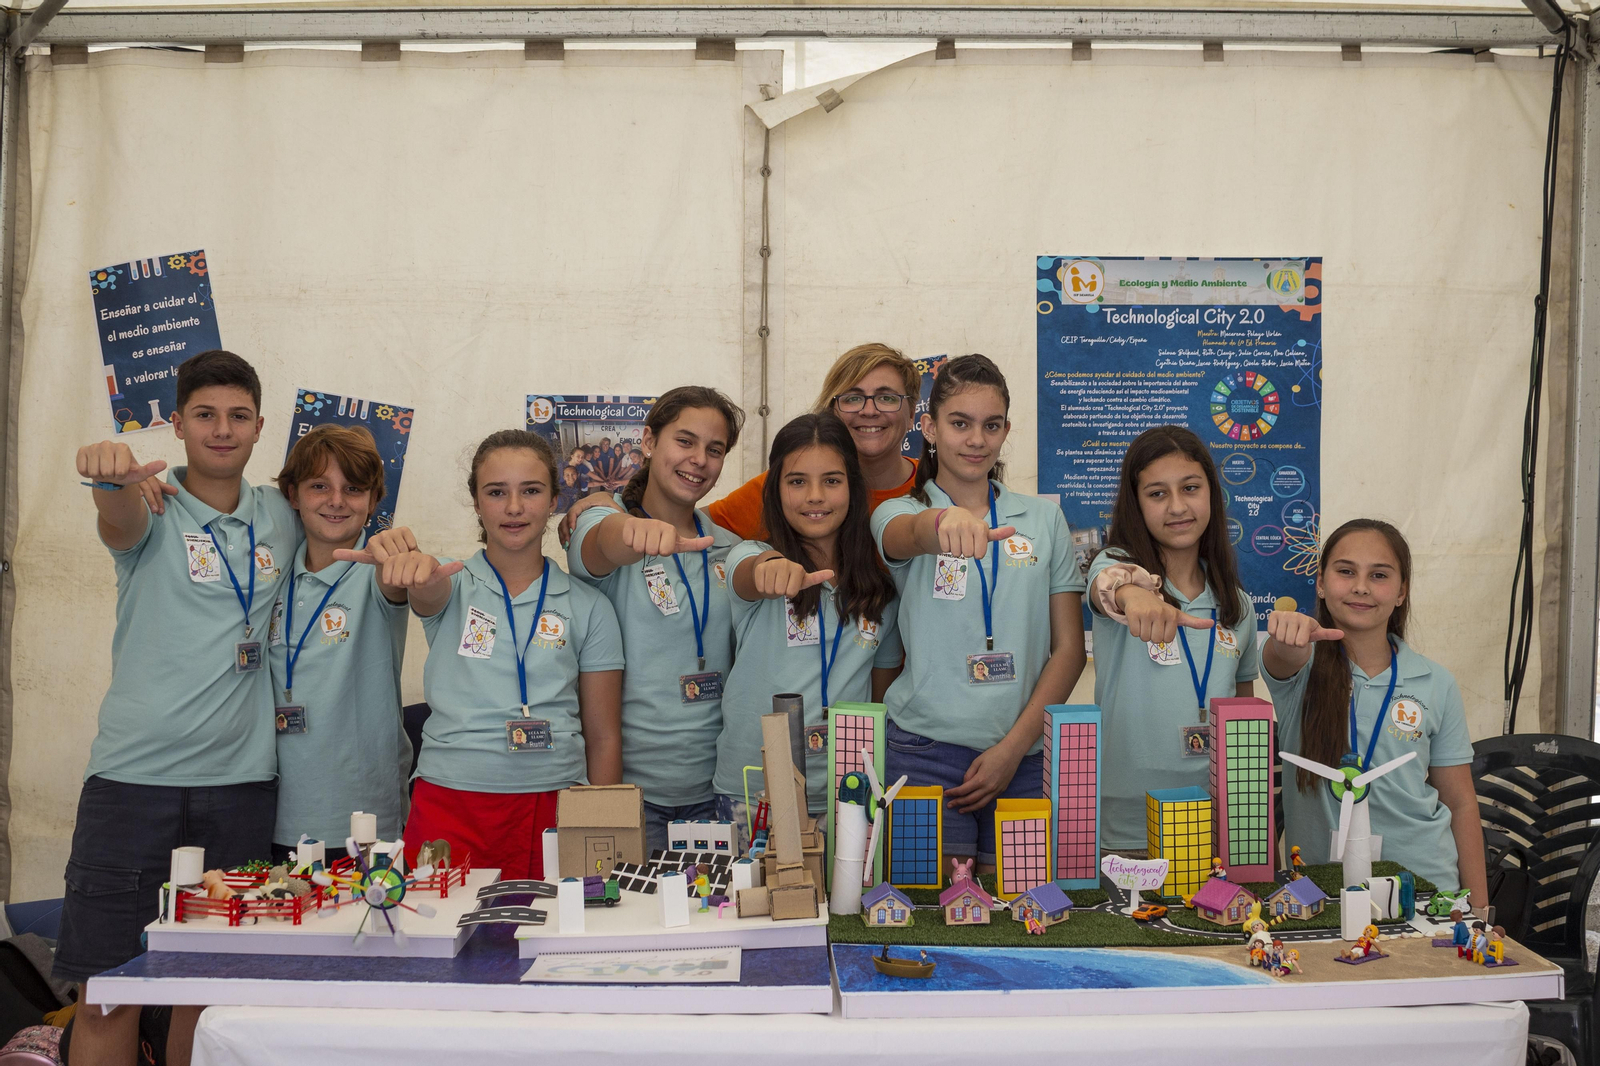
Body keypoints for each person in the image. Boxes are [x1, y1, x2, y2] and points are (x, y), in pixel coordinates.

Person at [62, 350, 298, 1065]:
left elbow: (343, 509)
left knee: (212, 992)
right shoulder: (150, 503)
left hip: (242, 791)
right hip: (133, 787)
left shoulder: (281, 516)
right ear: (177, 424)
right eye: (204, 416)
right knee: (110, 994)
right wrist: (107, 472)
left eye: (236, 417)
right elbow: (117, 514)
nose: (221, 431)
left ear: (260, 427)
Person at [344, 430, 624, 878]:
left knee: (545, 940)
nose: (514, 507)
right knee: (440, 941)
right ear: (476, 502)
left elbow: (605, 735)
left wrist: (605, 832)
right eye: (497, 492)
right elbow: (426, 590)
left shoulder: (589, 605)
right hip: (452, 805)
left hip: (555, 806)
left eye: (530, 491)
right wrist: (410, 566)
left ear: (554, 499)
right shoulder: (449, 582)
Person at [871, 354, 1086, 872]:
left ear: (1006, 430)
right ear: (929, 428)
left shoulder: (1044, 518)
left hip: (1024, 752)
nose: (975, 440)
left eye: (991, 426)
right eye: (959, 423)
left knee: (1022, 913)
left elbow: (1071, 649)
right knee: (933, 916)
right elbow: (908, 536)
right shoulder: (899, 511)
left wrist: (1014, 748)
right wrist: (943, 521)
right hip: (924, 752)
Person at [1263, 518, 1487, 902]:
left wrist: (1479, 908)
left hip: (1425, 882)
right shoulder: (1302, 667)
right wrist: (1287, 633)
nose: (1361, 587)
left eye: (1379, 575)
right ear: (1320, 582)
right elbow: (1281, 656)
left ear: (1402, 591)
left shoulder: (1435, 681)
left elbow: (1461, 802)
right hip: (1320, 888)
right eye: (1345, 571)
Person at [566, 387, 745, 851]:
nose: (699, 460)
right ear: (648, 441)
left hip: (716, 793)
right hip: (630, 794)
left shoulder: (726, 545)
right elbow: (599, 542)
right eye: (684, 441)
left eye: (715, 449)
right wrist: (629, 527)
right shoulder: (604, 522)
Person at [714, 413, 904, 843]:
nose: (815, 497)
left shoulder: (881, 593)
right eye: (797, 481)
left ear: (854, 488)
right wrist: (770, 570)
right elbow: (747, 571)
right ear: (775, 489)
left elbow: (880, 697)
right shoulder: (754, 554)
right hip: (753, 792)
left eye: (832, 481)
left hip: (847, 794)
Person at [1083, 425, 1260, 854]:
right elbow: (1107, 582)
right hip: (1125, 822)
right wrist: (1134, 596)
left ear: (1212, 496)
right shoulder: (1118, 568)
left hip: (1212, 820)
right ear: (1136, 503)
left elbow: (1242, 718)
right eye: (1157, 493)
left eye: (1190, 488)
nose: (1177, 506)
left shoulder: (1237, 605)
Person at [558, 343, 922, 543]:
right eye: (853, 397)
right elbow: (690, 522)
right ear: (831, 411)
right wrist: (609, 500)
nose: (870, 411)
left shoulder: (934, 490)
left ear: (911, 414)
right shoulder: (777, 491)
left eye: (888, 398)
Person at [267, 424, 411, 861]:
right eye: (319, 486)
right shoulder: (268, 577)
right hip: (269, 813)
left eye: (353, 488)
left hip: (363, 819)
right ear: (293, 495)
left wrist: (405, 560)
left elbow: (406, 584)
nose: (335, 500)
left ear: (371, 502)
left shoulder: (380, 572)